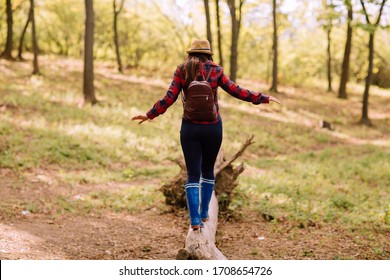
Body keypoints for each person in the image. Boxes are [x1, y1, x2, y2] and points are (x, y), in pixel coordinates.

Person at [132, 39, 281, 230]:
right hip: (213, 127)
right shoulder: (216, 70)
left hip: (190, 128)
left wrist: (149, 114)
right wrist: (263, 98)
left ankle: (194, 220)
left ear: (190, 53)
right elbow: (237, 91)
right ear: (209, 53)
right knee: (208, 171)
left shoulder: (182, 69)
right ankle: (204, 214)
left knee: (192, 174)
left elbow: (169, 97)